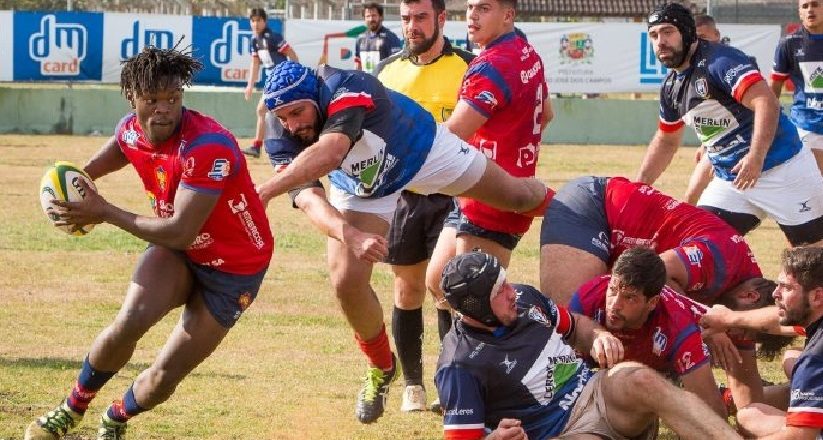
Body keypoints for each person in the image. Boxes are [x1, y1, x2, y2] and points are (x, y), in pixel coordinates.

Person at [257, 60, 552, 424]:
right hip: (363, 187)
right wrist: (351, 234)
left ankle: (581, 209)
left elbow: (331, 151)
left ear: (315, 95)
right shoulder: (278, 126)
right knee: (346, 282)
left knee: (516, 196)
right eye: (283, 117)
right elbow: (308, 198)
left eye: (298, 112)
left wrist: (266, 191)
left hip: (422, 151)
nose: (293, 125)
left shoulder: (347, 84)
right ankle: (381, 366)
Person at [24, 46, 274, 440]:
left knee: (165, 374)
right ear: (132, 98)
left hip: (233, 266)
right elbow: (100, 164)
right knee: (129, 321)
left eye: (173, 99)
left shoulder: (207, 146)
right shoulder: (129, 130)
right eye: (152, 100)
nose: (164, 109)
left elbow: (179, 230)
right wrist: (69, 189)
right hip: (179, 250)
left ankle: (116, 416)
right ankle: (71, 409)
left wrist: (103, 210)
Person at [435, 251, 741, 440]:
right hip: (561, 431)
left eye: (507, 282)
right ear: (477, 307)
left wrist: (598, 336)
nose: (512, 292)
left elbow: (575, 325)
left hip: (596, 391)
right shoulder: (459, 364)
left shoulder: (527, 299)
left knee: (641, 377)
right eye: (500, 291)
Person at [637, 2, 823, 248]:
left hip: (785, 170)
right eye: (654, 35)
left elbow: (766, 102)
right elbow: (666, 140)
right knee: (697, 250)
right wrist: (637, 188)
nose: (660, 41)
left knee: (811, 261)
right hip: (732, 182)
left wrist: (755, 157)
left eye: (668, 31)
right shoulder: (671, 87)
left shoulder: (719, 60)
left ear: (686, 32)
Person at [372, 0, 475, 413]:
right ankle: (412, 384)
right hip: (403, 198)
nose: (412, 27)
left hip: (456, 196)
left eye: (420, 18)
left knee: (450, 288)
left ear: (441, 19)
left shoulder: (470, 67)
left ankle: (452, 384)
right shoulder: (387, 72)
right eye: (406, 19)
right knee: (407, 288)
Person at [424, 0, 553, 309]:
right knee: (440, 283)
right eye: (470, 7)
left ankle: (524, 343)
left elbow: (455, 132)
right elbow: (547, 113)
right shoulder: (526, 52)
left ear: (508, 16)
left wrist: (406, 137)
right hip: (482, 188)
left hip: (493, 196)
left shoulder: (493, 65)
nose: (472, 15)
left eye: (483, 8)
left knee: (473, 302)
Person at [540, 176, 763, 307]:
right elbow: (656, 270)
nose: (736, 331)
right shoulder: (722, 260)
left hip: (621, 232)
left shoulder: (744, 284)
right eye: (743, 329)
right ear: (750, 296)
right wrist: (700, 319)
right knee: (574, 323)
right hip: (594, 205)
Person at [569, 247, 727, 416]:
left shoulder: (678, 326)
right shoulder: (588, 298)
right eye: (612, 290)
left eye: (629, 297)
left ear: (652, 302)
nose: (614, 305)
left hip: (676, 355)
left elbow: (713, 415)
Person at [736, 247, 823, 439]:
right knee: (749, 414)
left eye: (787, 288)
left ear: (817, 296)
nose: (776, 293)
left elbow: (799, 436)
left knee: (752, 416)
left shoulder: (814, 359)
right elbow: (772, 321)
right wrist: (728, 319)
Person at [770, 0, 823, 175]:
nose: (810, 10)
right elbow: (774, 88)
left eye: (815, 5)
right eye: (805, 6)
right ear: (799, 12)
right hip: (806, 126)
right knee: (814, 182)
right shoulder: (789, 43)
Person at [242, 8, 299, 159]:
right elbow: (255, 64)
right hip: (271, 82)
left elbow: (292, 55)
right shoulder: (255, 41)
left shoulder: (273, 37)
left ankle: (257, 146)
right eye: (252, 20)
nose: (255, 24)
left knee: (263, 111)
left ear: (264, 21)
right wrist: (250, 85)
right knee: (274, 114)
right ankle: (260, 146)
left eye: (258, 20)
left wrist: (294, 75)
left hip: (280, 81)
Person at [355, 2, 403, 73]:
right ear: (364, 18)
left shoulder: (390, 37)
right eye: (368, 16)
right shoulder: (360, 39)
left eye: (374, 15)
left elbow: (397, 64)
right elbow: (358, 64)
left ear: (381, 17)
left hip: (384, 82)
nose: (371, 19)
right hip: (367, 82)